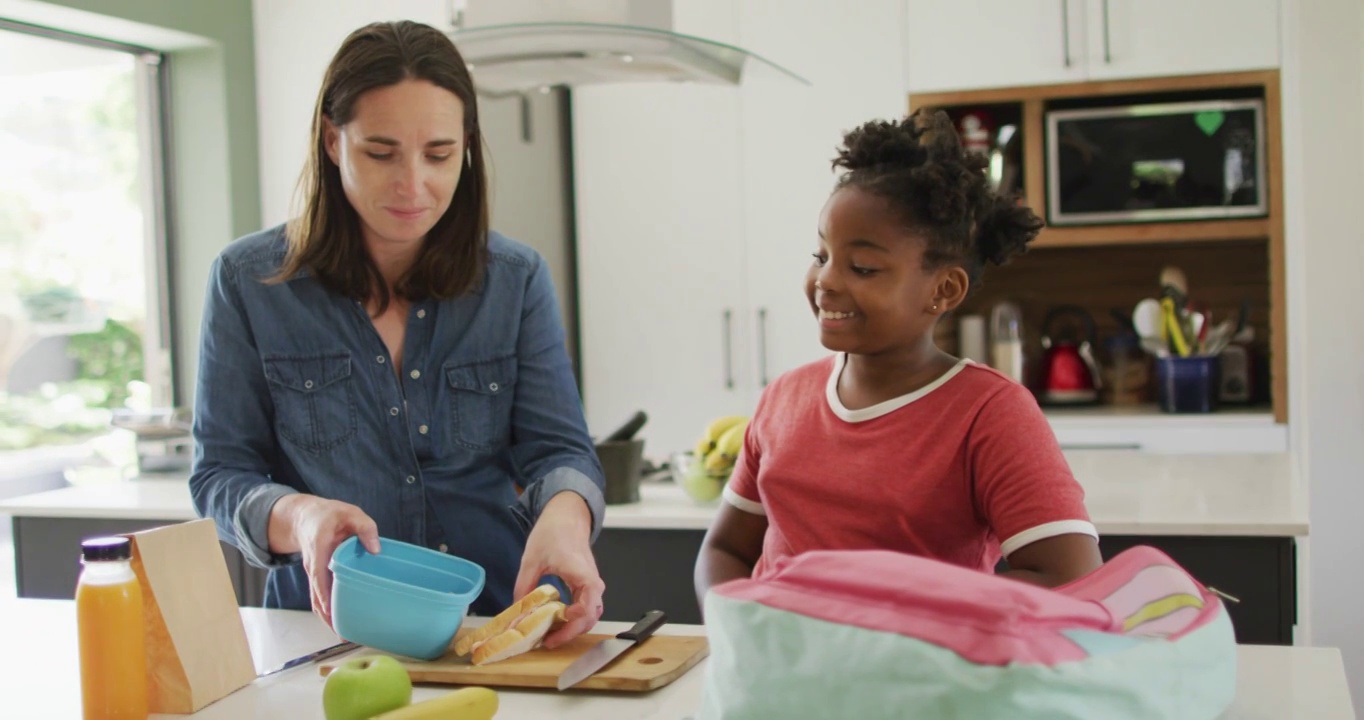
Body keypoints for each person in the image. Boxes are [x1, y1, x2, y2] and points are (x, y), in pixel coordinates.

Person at [189, 20, 606, 649]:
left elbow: (559, 451)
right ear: (333, 142)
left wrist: (566, 519)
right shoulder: (249, 282)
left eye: (439, 154)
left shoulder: (515, 281)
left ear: (465, 146)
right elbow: (220, 476)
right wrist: (300, 516)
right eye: (380, 153)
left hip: (491, 627)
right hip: (321, 638)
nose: (414, 184)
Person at [694, 109, 1104, 607]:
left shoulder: (989, 413)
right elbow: (724, 549)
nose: (825, 281)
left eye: (863, 267)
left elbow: (1070, 578)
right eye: (822, 256)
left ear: (943, 289)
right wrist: (739, 622)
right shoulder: (784, 397)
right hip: (779, 676)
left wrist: (885, 615)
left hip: (918, 679)